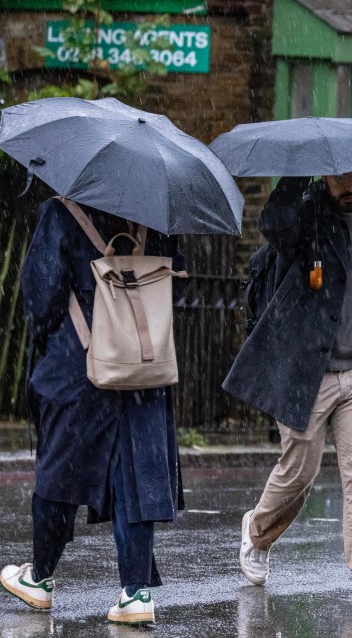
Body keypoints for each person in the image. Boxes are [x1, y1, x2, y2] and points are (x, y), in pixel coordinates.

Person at [223, 169, 352, 604]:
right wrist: (295, 173)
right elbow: (273, 225)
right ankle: (258, 531)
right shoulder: (305, 216)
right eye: (344, 179)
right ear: (326, 175)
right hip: (306, 369)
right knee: (299, 471)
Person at [1, 197, 184, 624]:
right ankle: (136, 594)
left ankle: (40, 579)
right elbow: (180, 286)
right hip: (142, 366)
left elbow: (41, 298)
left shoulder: (62, 211)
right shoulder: (155, 216)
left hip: (78, 362)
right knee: (136, 473)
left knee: (60, 471)